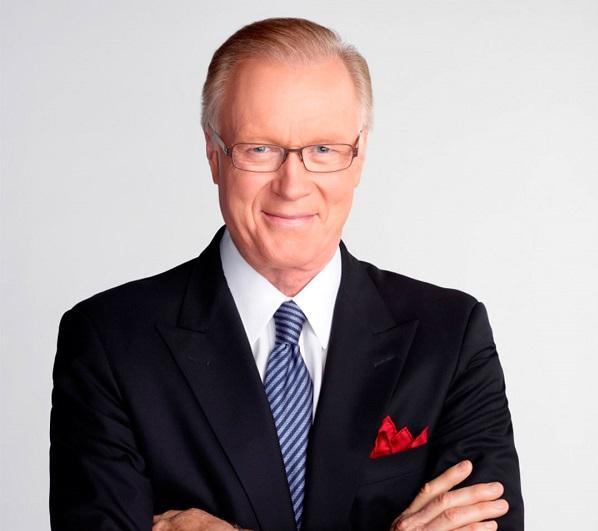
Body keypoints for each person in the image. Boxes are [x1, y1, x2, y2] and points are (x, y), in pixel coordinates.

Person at [49, 17, 523, 531]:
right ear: (213, 153)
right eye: (260, 149)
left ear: (358, 156)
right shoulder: (109, 341)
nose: (292, 184)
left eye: (323, 149)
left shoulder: (449, 335)